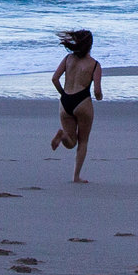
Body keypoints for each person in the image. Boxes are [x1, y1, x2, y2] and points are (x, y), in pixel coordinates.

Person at [48, 28, 102, 182]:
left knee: (70, 141)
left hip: (65, 101)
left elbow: (55, 79)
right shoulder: (94, 65)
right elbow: (97, 92)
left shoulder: (68, 59)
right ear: (90, 46)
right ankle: (76, 176)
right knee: (83, 141)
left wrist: (63, 94)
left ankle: (62, 135)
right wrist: (99, 96)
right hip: (82, 102)